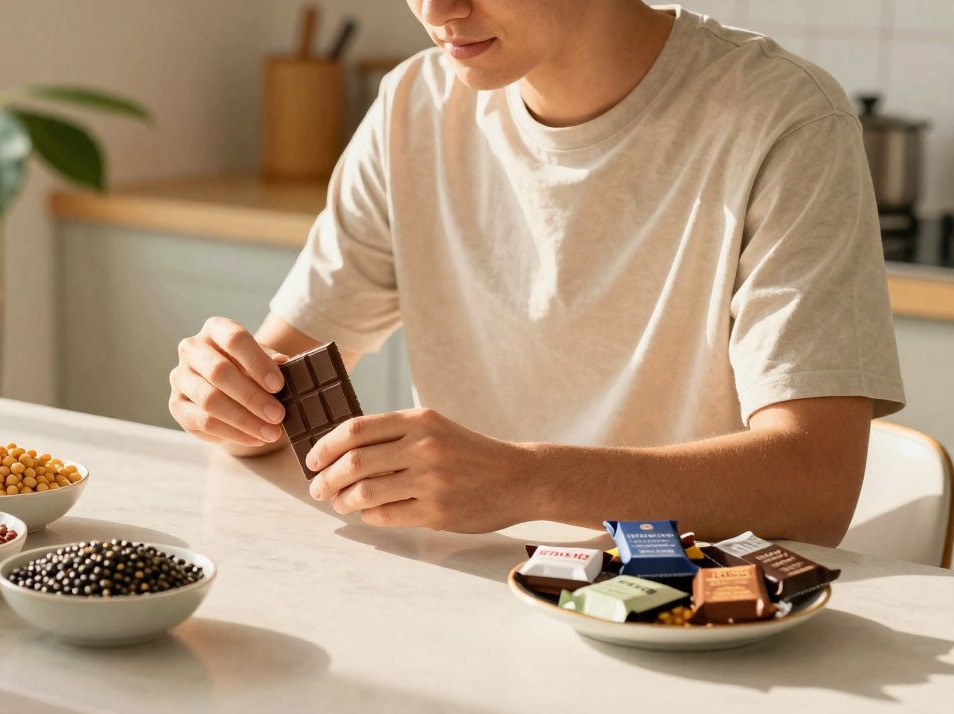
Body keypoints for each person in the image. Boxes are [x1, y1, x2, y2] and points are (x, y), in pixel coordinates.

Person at [167, 0, 905, 545]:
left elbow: (814, 487)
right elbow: (280, 377)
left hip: (688, 625)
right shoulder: (412, 108)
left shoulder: (783, 119)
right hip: (461, 600)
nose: (435, 10)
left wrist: (525, 480)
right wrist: (229, 399)